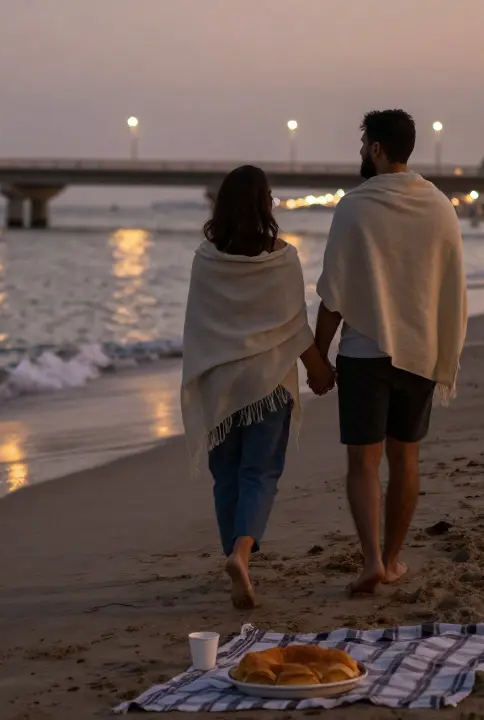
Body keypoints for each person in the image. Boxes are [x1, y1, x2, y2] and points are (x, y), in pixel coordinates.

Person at [314, 110, 468, 595]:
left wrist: (318, 355)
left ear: (378, 148)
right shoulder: (438, 205)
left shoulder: (354, 207)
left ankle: (372, 561)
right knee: (406, 460)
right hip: (419, 351)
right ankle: (395, 559)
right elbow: (451, 284)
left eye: (364, 144)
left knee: (363, 463)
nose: (361, 152)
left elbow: (335, 293)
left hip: (363, 354)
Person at [180, 165, 333, 610]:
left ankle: (234, 555)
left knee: (225, 475)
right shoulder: (282, 257)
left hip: (220, 383)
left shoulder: (205, 258)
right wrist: (319, 370)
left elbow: (199, 326)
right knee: (259, 473)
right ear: (266, 204)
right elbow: (293, 325)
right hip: (268, 382)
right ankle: (242, 555)